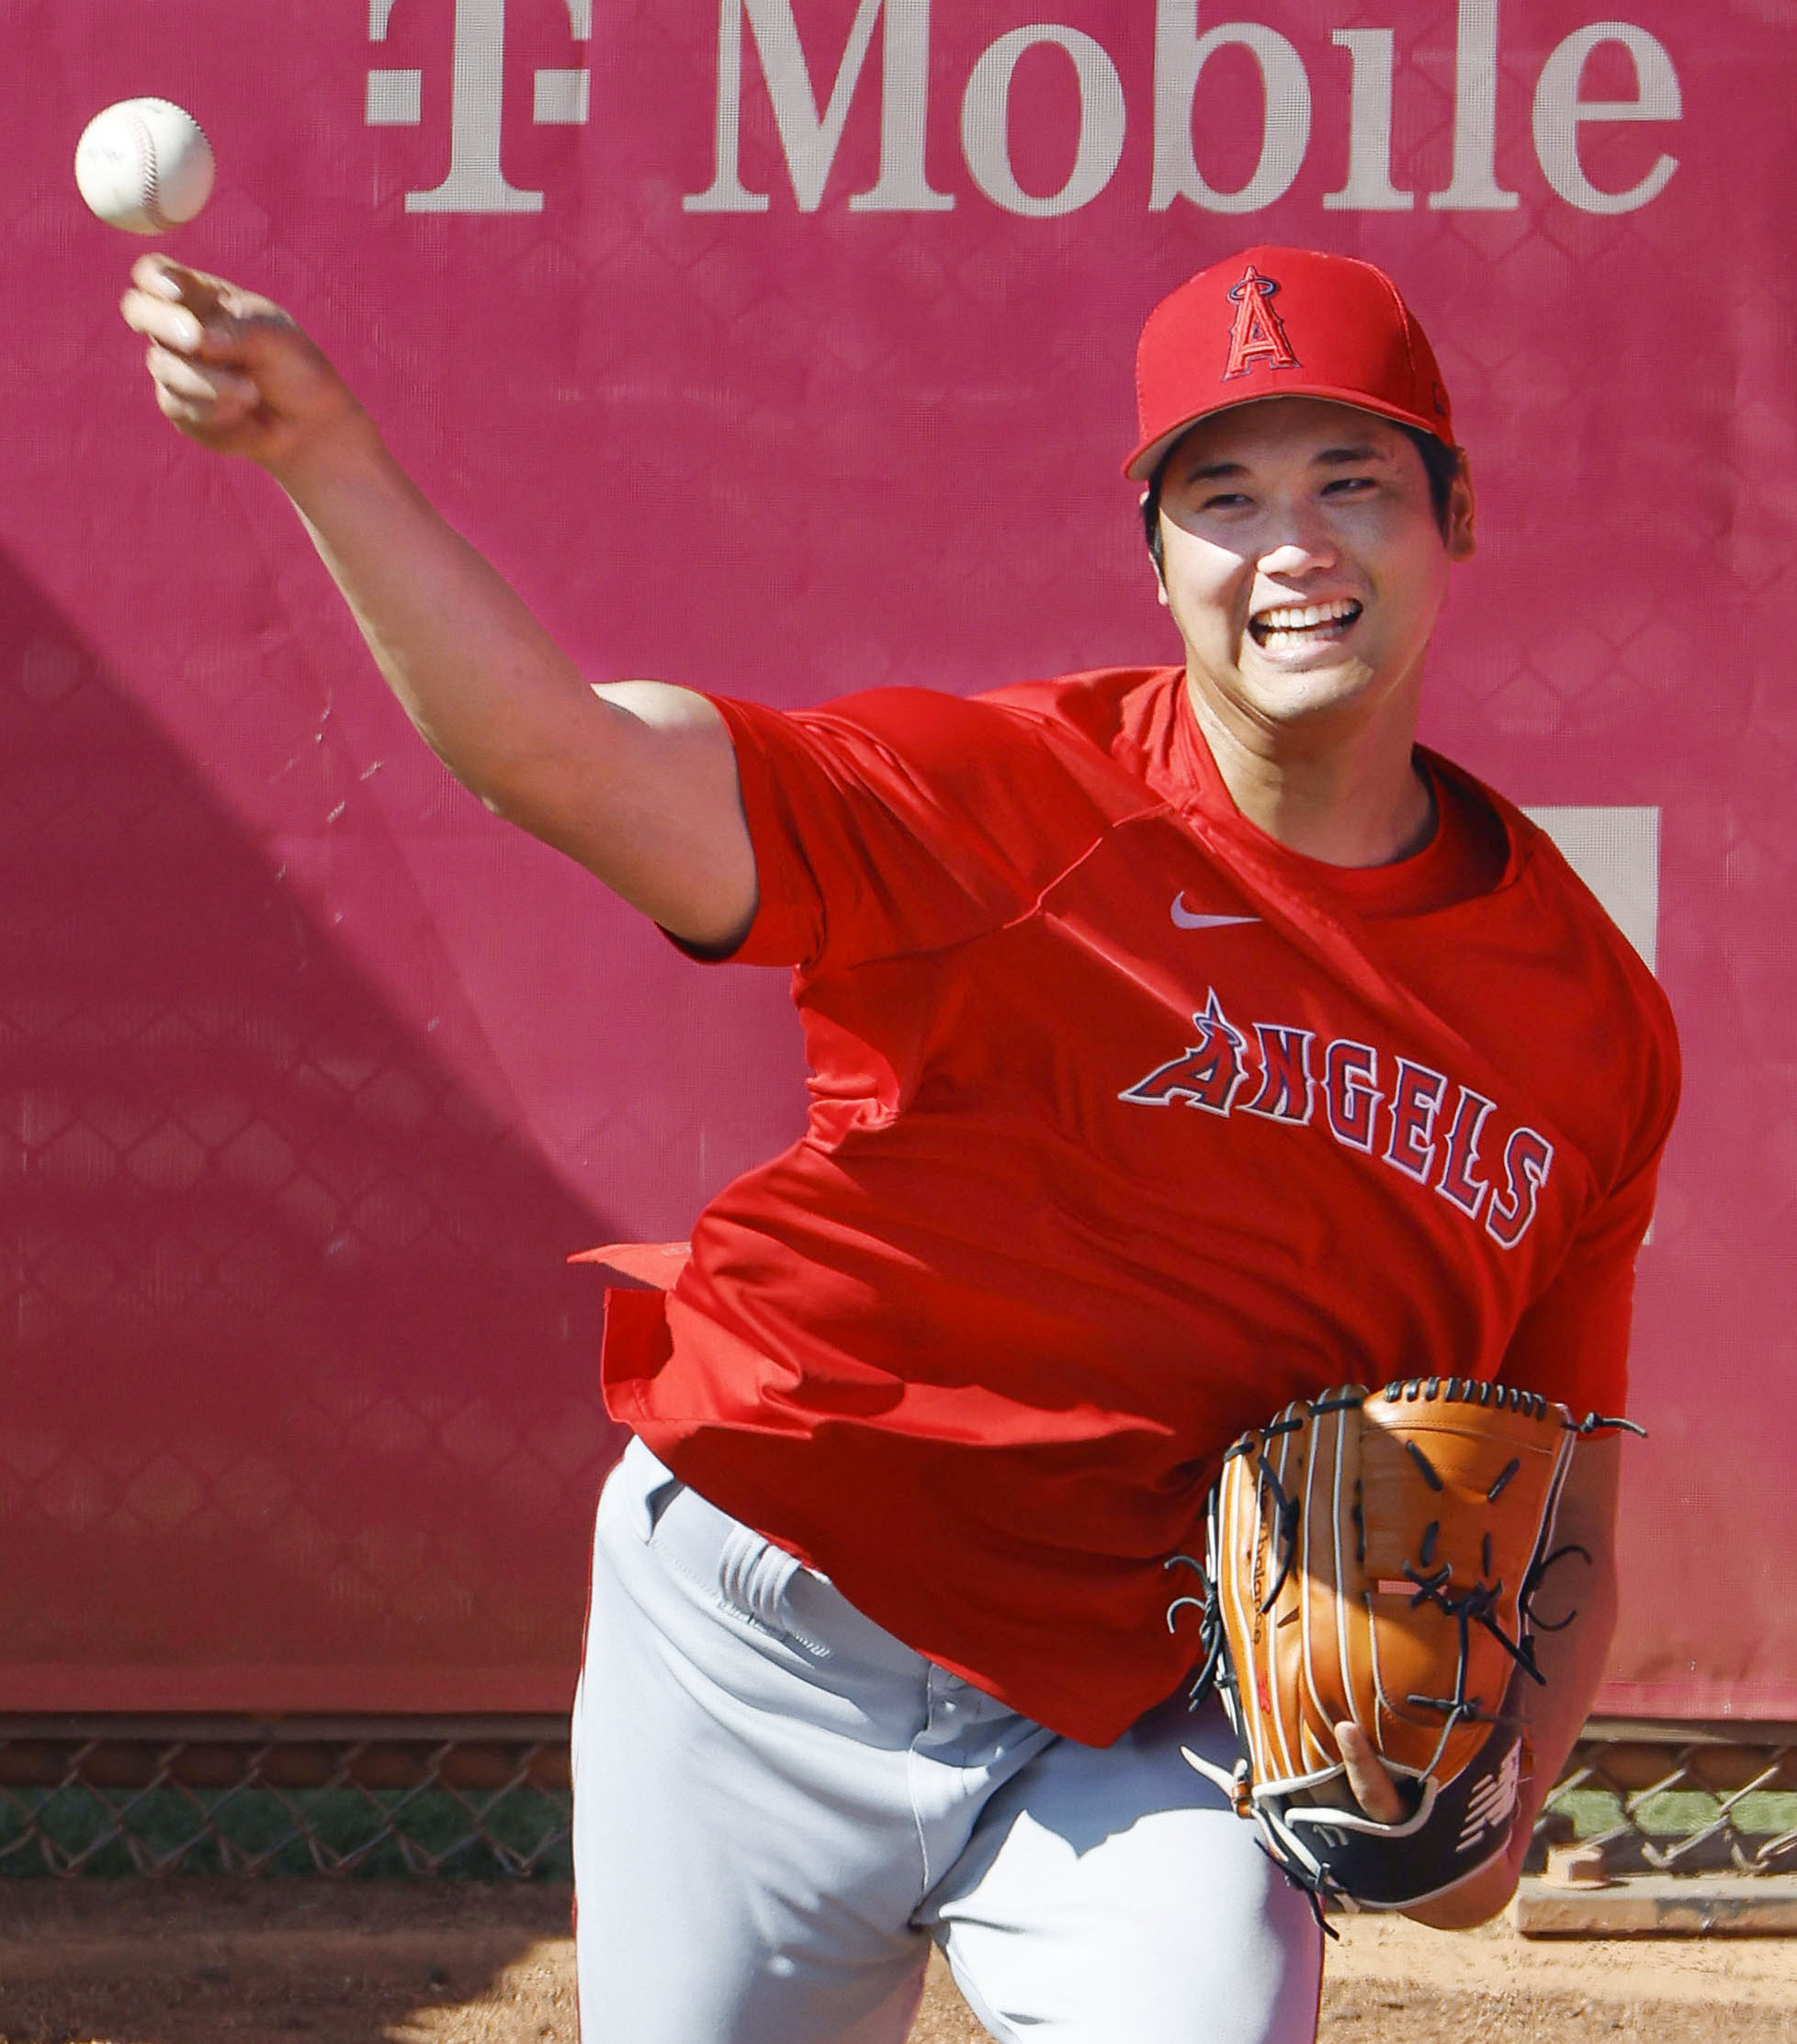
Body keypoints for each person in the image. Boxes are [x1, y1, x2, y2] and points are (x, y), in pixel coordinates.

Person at [120, 243, 1678, 2043]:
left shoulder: (1585, 1023)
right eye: (1225, 494)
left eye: (1356, 481)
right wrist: (327, 455)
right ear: (1157, 559)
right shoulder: (1000, 802)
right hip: (764, 1635)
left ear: (1454, 512)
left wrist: (1505, 1793)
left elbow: (1564, 1488)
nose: (1295, 545)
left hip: (1134, 1702)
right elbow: (563, 759)